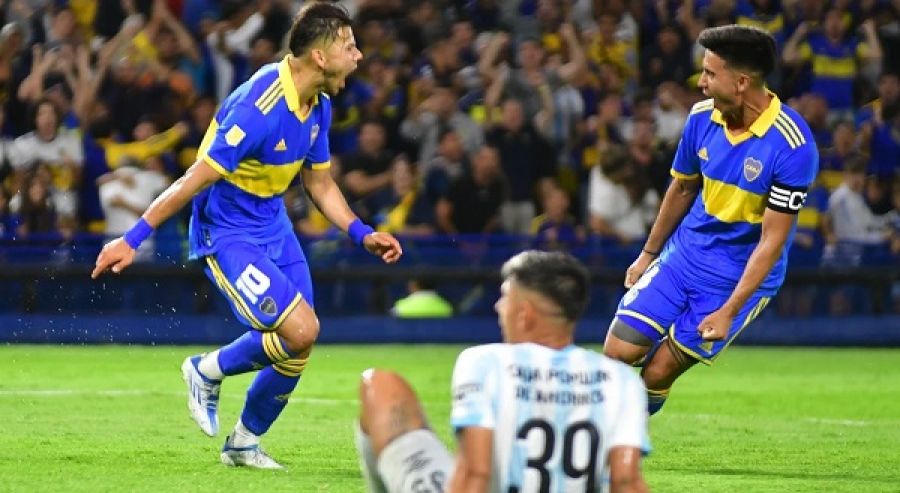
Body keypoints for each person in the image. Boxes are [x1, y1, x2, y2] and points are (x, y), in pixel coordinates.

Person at [91, 3, 403, 469]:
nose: (358, 56)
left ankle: (243, 442)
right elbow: (194, 179)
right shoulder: (260, 107)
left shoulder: (318, 103)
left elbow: (319, 182)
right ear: (320, 57)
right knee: (301, 329)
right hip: (227, 230)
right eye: (350, 46)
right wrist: (132, 239)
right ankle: (205, 370)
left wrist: (362, 232)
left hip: (273, 224)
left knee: (300, 342)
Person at [603, 25, 819, 416]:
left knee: (656, 373)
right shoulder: (701, 117)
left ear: (741, 82)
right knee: (617, 353)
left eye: (709, 73)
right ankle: (612, 434)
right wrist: (648, 253)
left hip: (734, 277)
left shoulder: (793, 146)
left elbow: (771, 242)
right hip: (683, 257)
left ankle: (622, 440)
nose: (701, 83)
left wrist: (729, 311)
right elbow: (683, 187)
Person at [356, 250, 650, 493]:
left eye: (506, 296)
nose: (498, 306)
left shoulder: (486, 363)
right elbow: (626, 482)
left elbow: (475, 473)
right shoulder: (622, 381)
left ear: (525, 313)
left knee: (379, 385)